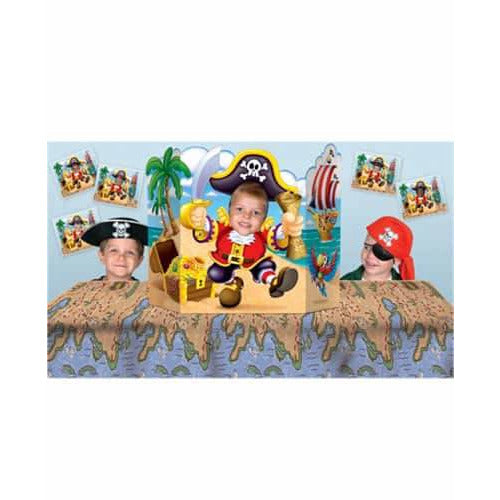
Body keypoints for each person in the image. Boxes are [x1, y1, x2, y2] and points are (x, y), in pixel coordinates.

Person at [181, 181, 303, 307]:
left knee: (265, 267)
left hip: (254, 261)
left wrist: (286, 229)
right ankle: (232, 282)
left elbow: (277, 234)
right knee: (215, 273)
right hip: (225, 260)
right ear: (229, 212)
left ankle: (274, 282)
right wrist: (197, 219)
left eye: (256, 213)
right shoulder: (224, 227)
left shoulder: (261, 232)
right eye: (239, 209)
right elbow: (206, 226)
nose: (246, 216)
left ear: (263, 220)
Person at [341, 216, 415, 281]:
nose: (370, 256)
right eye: (366, 247)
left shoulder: (404, 288)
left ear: (397, 260)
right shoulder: (344, 282)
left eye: (381, 252)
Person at [81, 217, 148, 282]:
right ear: (101, 255)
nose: (121, 258)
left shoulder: (148, 290)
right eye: (114, 251)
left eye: (130, 253)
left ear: (140, 260)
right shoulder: (83, 289)